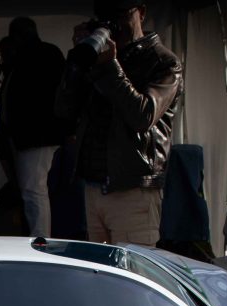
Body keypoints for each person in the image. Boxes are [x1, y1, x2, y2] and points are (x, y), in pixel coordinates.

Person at [55, 2, 182, 247]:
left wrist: (110, 66)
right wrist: (77, 62)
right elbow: (63, 110)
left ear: (141, 13)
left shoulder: (162, 62)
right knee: (99, 278)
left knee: (134, 275)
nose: (114, 25)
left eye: (121, 15)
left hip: (133, 191)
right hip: (93, 187)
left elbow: (142, 116)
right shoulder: (97, 58)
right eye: (105, 17)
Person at [3, 17, 69, 238]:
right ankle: (39, 237)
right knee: (34, 191)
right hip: (36, 134)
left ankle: (41, 240)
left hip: (36, 135)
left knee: (34, 191)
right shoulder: (47, 53)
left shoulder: (34, 55)